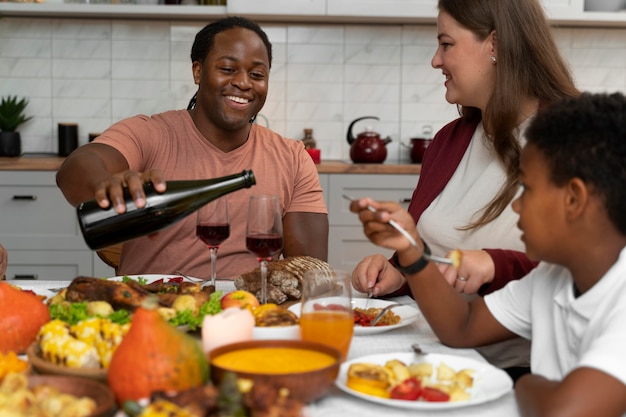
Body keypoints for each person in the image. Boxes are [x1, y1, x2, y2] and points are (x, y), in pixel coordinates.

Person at [350, 91, 626, 416]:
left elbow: (562, 409)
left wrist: (523, 384)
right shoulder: (553, 276)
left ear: (573, 199)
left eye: (528, 189)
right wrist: (412, 250)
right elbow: (461, 327)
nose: (517, 206)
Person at [352, 0, 578, 372]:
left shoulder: (574, 137)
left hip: (526, 370)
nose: (435, 61)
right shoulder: (448, 141)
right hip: (441, 352)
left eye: (446, 44)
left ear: (496, 45)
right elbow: (438, 260)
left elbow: (595, 268)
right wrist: (399, 272)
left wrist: (495, 264)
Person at [56, 16, 328, 280]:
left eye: (256, 74)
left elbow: (311, 271)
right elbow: (76, 167)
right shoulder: (150, 133)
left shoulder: (292, 157)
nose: (244, 83)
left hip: (250, 315)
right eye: (228, 69)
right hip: (154, 312)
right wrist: (106, 183)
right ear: (198, 71)